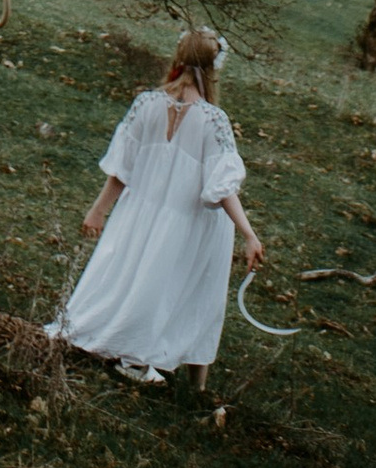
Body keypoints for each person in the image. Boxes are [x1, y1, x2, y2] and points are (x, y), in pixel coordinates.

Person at [49, 27, 264, 389]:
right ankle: (155, 363)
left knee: (138, 277)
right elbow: (223, 187)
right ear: (213, 68)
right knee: (189, 291)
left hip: (140, 214)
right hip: (188, 223)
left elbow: (121, 169)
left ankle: (184, 378)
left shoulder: (146, 103)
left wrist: (99, 209)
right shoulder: (213, 119)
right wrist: (249, 233)